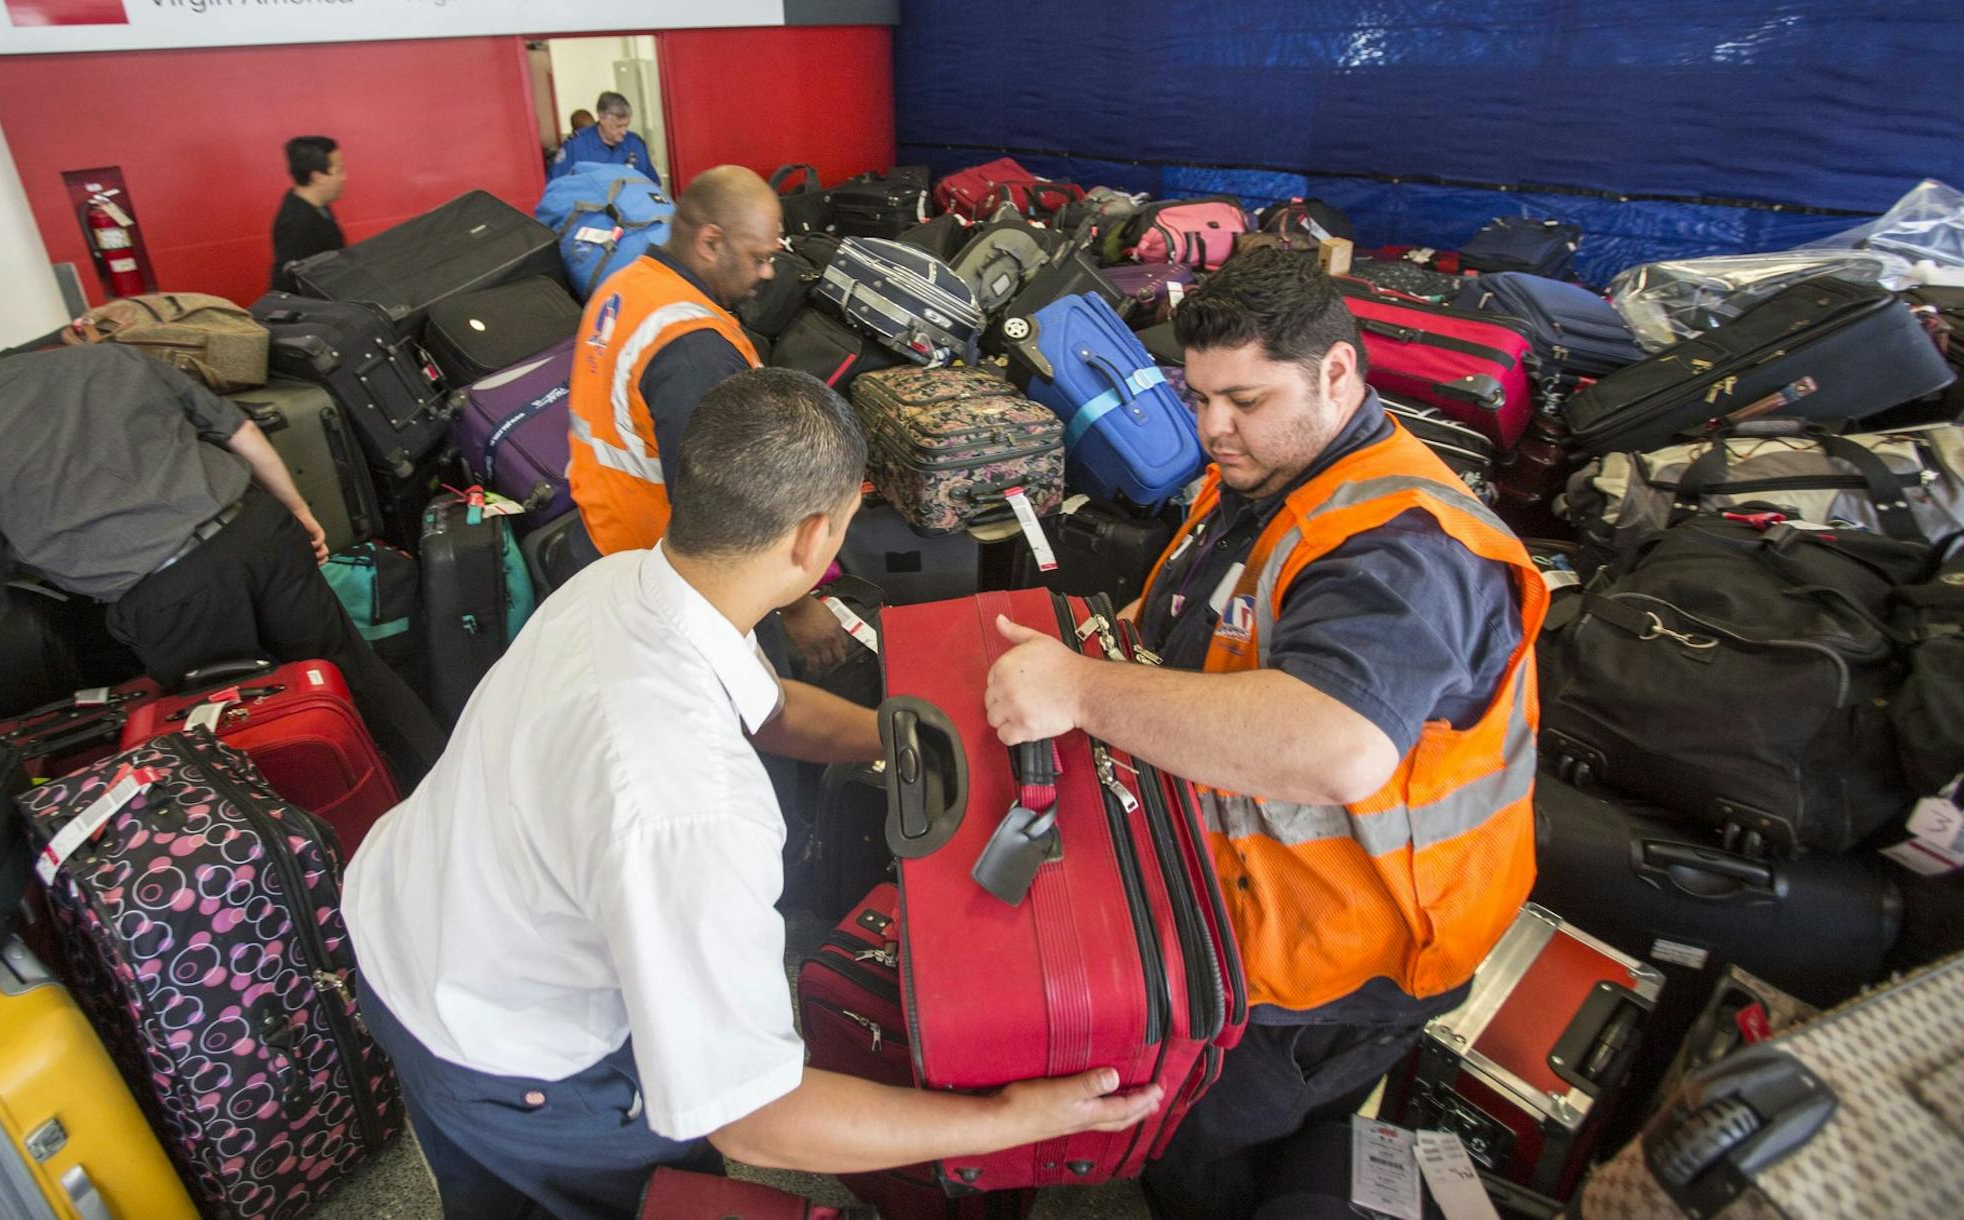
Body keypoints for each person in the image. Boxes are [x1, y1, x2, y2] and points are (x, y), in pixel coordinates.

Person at [342, 368, 1161, 1219]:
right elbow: (749, 1114)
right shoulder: (694, 806)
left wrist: (920, 740)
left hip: (418, 915)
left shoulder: (622, 583)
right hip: (501, 1047)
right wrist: (999, 1122)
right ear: (815, 539)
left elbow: (764, 708)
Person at [980, 248, 1546, 1214]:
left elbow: (1336, 744)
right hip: (1244, 911)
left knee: (1212, 1159)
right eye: (1196, 398)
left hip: (1334, 965)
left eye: (1241, 400)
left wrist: (1079, 688)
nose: (1210, 430)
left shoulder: (1405, 548)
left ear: (1336, 374)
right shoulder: (1262, 480)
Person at [0, 277, 445, 788]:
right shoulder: (106, 360)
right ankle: (447, 791)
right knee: (348, 673)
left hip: (172, 594)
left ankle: (334, 855)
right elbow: (238, 430)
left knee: (252, 734)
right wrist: (300, 510)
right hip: (261, 530)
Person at [564, 164, 844, 670]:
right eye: (758, 257)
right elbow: (727, 516)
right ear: (711, 242)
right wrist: (796, 607)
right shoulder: (695, 353)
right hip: (670, 583)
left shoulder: (625, 284)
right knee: (761, 715)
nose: (766, 272)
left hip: (602, 537)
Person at [269, 135, 346, 292]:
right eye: (338, 171)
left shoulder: (317, 206)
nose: (344, 177)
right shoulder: (296, 223)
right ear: (317, 177)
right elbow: (285, 285)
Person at [548, 91, 659, 185]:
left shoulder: (635, 144)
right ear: (602, 118)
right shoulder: (575, 146)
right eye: (619, 126)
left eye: (627, 125)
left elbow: (653, 184)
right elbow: (556, 186)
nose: (624, 131)